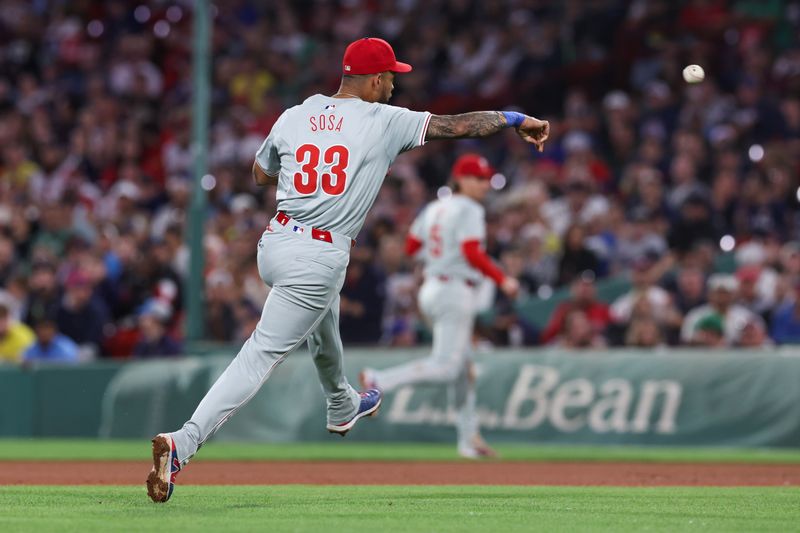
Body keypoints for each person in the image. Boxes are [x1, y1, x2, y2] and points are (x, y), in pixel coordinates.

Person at [146, 37, 549, 502]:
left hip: (275, 243)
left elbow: (260, 173)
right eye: (392, 77)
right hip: (319, 253)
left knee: (324, 315)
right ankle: (184, 442)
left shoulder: (296, 114)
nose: (395, 86)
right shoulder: (383, 119)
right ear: (375, 79)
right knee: (260, 354)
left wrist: (308, 168)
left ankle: (341, 403)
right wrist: (516, 118)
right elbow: (460, 126)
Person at [359, 153, 520, 459]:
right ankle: (381, 380)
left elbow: (411, 247)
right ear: (461, 179)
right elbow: (472, 251)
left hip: (432, 288)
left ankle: (468, 439)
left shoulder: (433, 208)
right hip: (453, 290)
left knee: (463, 369)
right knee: (447, 367)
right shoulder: (469, 208)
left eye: (486, 179)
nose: (485, 184)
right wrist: (503, 279)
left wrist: (438, 257)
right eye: (479, 178)